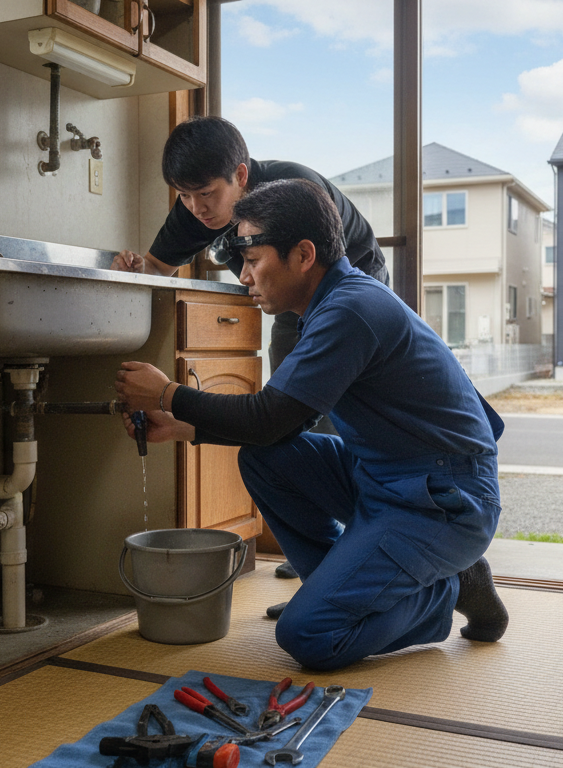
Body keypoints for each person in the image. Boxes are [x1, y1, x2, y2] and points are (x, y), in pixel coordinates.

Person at [114, 179, 509, 671]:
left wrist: (168, 393)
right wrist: (181, 427)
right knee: (266, 459)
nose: (244, 277)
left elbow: (267, 417)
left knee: (309, 635)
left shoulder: (351, 310)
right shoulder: (328, 306)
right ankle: (339, 589)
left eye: (254, 261)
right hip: (387, 474)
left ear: (303, 254)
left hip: (443, 497)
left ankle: (446, 590)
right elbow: (277, 429)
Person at [111, 115, 387, 373]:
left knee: (336, 381)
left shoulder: (293, 191)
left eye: (206, 193)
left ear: (241, 176)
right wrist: (135, 267)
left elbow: (319, 272)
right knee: (286, 377)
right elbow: (157, 267)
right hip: (292, 295)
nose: (196, 208)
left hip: (351, 276)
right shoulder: (194, 207)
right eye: (184, 195)